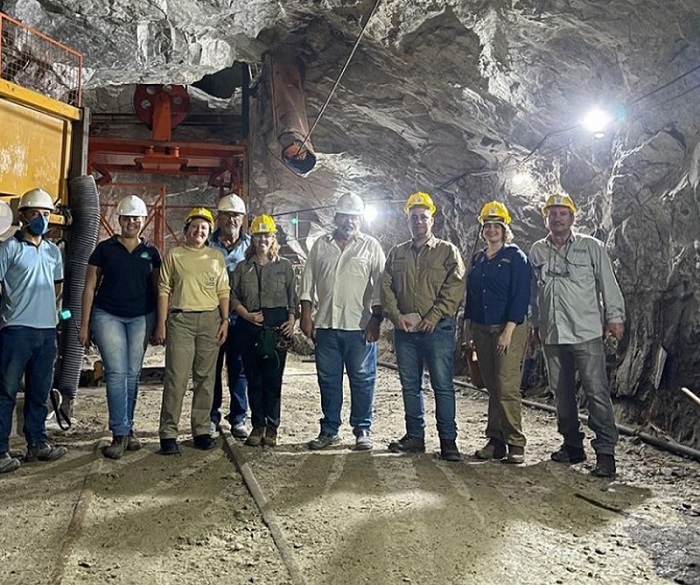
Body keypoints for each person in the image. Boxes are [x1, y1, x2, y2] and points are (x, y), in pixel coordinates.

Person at [529, 193, 625, 478]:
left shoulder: (591, 247)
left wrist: (615, 317)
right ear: (546, 218)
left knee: (596, 392)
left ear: (572, 217)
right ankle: (572, 445)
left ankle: (605, 453)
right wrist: (535, 324)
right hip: (552, 333)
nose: (557, 218)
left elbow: (608, 282)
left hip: (585, 332)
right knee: (561, 393)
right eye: (552, 213)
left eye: (562, 213)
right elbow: (534, 293)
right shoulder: (536, 251)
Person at [381, 192, 466, 461]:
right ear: (408, 221)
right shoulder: (397, 253)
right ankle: (415, 436)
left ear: (433, 220)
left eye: (423, 217)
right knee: (410, 385)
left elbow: (456, 286)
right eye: (414, 217)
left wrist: (435, 315)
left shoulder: (447, 251)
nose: (419, 221)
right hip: (406, 331)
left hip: (437, 330)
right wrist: (397, 317)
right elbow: (386, 286)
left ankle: (448, 441)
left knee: (442, 384)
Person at [300, 193, 386, 451]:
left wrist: (376, 319)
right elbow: (308, 280)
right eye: (345, 216)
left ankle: (362, 429)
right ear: (336, 218)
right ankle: (329, 430)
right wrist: (306, 313)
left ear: (360, 219)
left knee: (362, 378)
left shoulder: (371, 246)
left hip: (359, 326)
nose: (350, 221)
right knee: (328, 380)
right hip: (326, 325)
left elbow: (381, 285)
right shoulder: (320, 245)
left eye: (355, 217)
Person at [78, 195, 160, 460]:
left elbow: (160, 289)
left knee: (133, 373)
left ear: (142, 221)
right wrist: (84, 323)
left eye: (136, 218)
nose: (131, 222)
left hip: (141, 317)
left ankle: (128, 428)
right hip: (108, 315)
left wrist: (161, 323)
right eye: (127, 218)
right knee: (116, 373)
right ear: (120, 220)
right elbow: (90, 285)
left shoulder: (151, 251)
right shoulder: (104, 249)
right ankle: (119, 432)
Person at [0, 188, 67, 474]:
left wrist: (49, 313)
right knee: (5, 392)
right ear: (23, 216)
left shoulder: (53, 251)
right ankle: (1, 450)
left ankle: (37, 442)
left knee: (39, 391)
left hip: (46, 332)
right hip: (15, 330)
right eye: (36, 213)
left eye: (46, 214)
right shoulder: (8, 249)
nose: (41, 218)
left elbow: (57, 286)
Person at [155, 207, 229, 455]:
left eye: (204, 228)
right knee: (176, 378)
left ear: (209, 233)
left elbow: (223, 291)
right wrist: (161, 324)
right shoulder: (174, 255)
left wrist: (225, 319)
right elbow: (164, 288)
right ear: (186, 230)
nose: (199, 231)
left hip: (210, 320)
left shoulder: (216, 257)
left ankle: (201, 431)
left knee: (206, 380)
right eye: (195, 227)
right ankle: (168, 433)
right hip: (181, 321)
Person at [464, 201, 531, 464]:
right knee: (492, 386)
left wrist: (508, 331)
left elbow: (521, 296)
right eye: (487, 226)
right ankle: (496, 440)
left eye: (496, 226)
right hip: (482, 328)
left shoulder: (516, 258)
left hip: (509, 329)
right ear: (482, 230)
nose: (492, 230)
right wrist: (468, 328)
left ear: (505, 230)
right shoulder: (479, 259)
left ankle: (516, 442)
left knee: (506, 385)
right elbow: (472, 296)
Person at [231, 215, 297, 447]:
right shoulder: (242, 268)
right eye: (258, 235)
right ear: (253, 238)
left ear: (273, 238)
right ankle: (257, 425)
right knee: (253, 378)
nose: (262, 239)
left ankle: (272, 427)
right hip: (249, 327)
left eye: (266, 235)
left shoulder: (285, 267)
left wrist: (291, 320)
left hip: (277, 327)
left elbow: (292, 298)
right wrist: (246, 315)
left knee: (273, 379)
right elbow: (232, 296)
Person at [209, 193, 250, 439]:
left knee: (239, 367)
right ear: (218, 217)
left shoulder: (251, 245)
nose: (231, 219)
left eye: (236, 215)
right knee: (211, 368)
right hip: (212, 314)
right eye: (227, 214)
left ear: (243, 219)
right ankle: (211, 416)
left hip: (241, 315)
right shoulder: (207, 244)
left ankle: (238, 418)